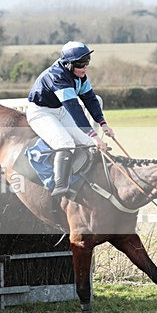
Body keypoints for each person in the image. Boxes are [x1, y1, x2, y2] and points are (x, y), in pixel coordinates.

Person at [27, 41, 115, 198]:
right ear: (67, 64)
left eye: (87, 62)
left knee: (88, 144)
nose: (85, 67)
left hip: (59, 111)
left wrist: (103, 123)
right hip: (40, 112)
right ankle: (60, 186)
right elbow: (74, 108)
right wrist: (94, 135)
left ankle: (84, 181)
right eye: (81, 63)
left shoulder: (80, 76)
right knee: (66, 143)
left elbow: (90, 99)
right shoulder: (57, 77)